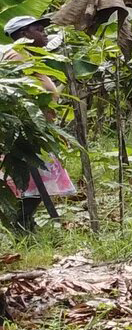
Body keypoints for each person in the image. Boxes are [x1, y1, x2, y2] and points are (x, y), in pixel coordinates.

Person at [3, 16, 76, 230]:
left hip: (38, 130)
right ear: (24, 34)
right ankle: (21, 222)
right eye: (38, 28)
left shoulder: (30, 56)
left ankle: (24, 222)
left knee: (34, 182)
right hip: (25, 131)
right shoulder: (16, 56)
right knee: (29, 180)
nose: (44, 32)